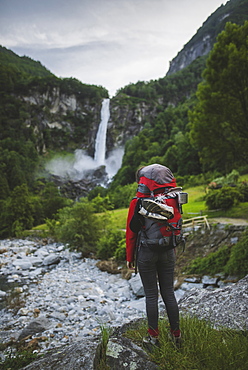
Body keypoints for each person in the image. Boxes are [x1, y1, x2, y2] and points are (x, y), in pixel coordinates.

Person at [126, 164, 181, 348]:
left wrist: (129, 257)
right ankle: (176, 336)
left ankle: (153, 338)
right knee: (169, 293)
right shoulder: (173, 198)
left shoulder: (137, 202)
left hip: (146, 252)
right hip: (168, 251)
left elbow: (131, 232)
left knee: (151, 295)